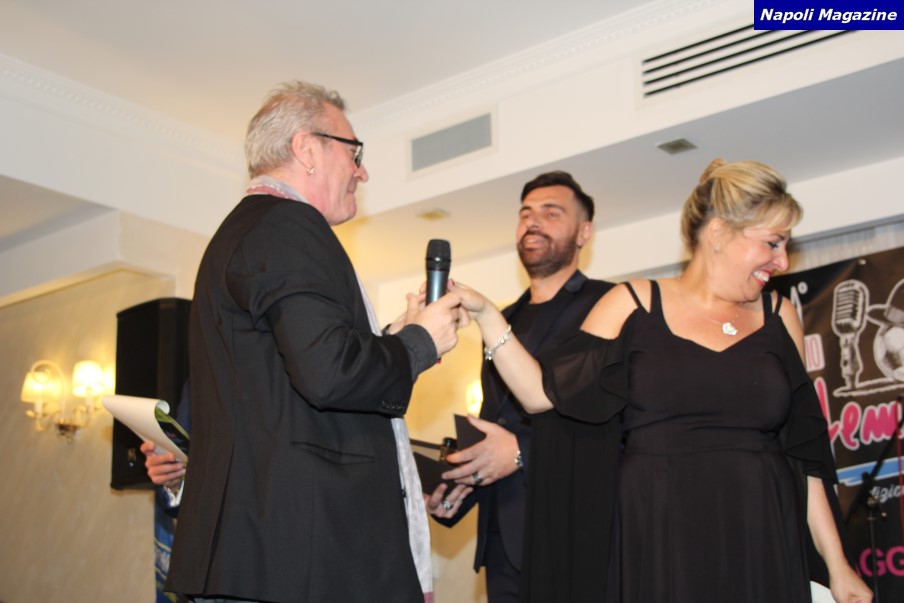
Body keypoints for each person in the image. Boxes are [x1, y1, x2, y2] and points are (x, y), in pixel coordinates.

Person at [451, 159, 873, 603]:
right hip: (658, 532)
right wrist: (487, 315)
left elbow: (804, 458)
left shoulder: (780, 315)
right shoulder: (631, 304)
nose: (782, 261)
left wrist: (839, 567)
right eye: (772, 243)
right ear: (718, 233)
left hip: (762, 529)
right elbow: (540, 394)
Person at [164, 80, 467, 603]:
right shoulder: (289, 225)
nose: (362, 172)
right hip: (297, 561)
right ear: (307, 149)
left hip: (262, 557)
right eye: (354, 153)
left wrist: (395, 336)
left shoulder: (248, 230)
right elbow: (330, 374)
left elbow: (291, 384)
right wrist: (420, 342)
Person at [423, 171, 612, 601]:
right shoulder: (504, 318)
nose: (533, 222)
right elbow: (496, 427)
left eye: (551, 212)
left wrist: (523, 451)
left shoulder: (607, 306)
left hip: (571, 537)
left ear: (584, 232)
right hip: (501, 545)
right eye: (525, 213)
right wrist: (456, 491)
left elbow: (608, 426)